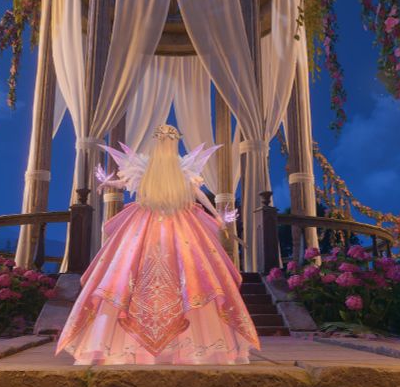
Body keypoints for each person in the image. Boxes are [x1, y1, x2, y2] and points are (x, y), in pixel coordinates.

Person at [54, 124, 261, 364]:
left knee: (135, 277)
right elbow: (197, 193)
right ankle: (193, 347)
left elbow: (135, 183)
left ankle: (133, 347)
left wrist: (108, 184)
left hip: (145, 226)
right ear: (174, 144)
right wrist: (215, 214)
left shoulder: (154, 170)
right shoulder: (179, 171)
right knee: (190, 280)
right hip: (180, 228)